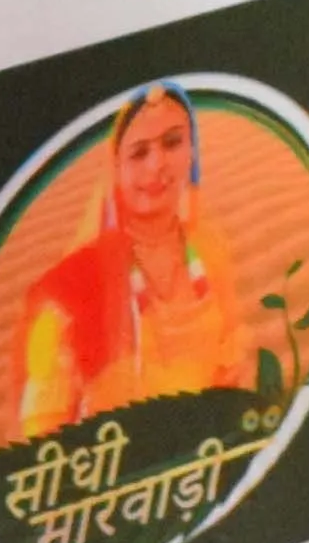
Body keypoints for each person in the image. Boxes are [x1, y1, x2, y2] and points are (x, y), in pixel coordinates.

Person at [15, 83, 254, 437]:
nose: (157, 164)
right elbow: (40, 432)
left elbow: (235, 364)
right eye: (139, 153)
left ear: (192, 152)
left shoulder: (210, 251)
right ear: (116, 169)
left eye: (172, 143)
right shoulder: (70, 288)